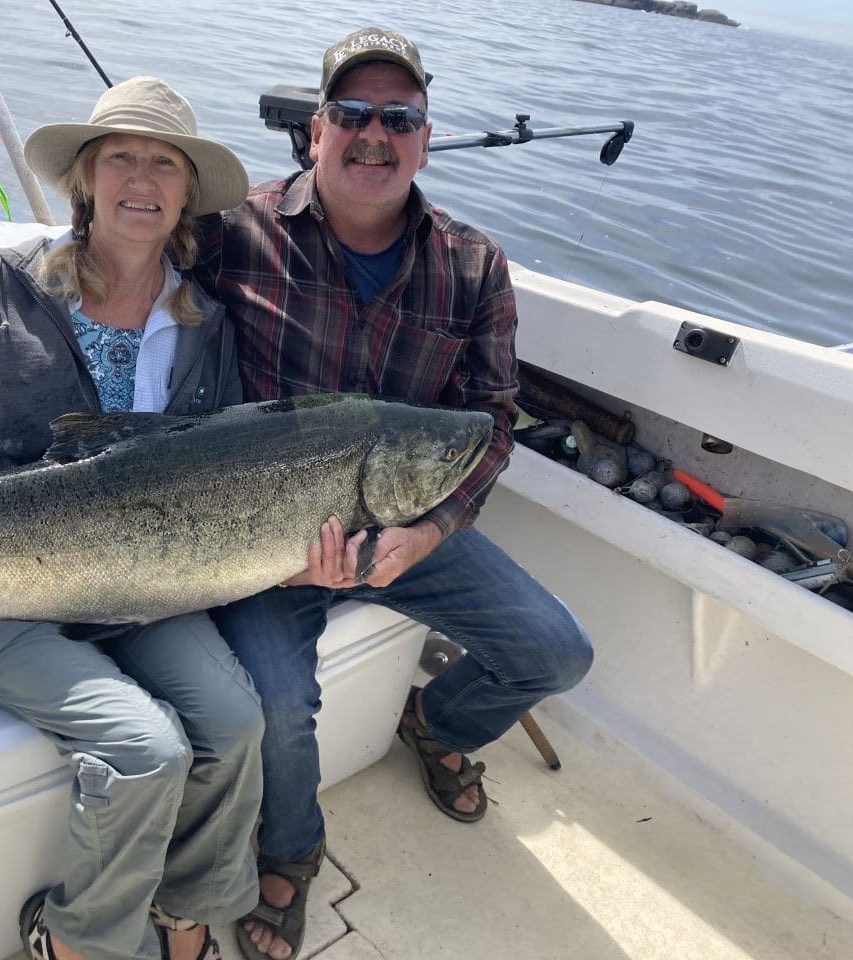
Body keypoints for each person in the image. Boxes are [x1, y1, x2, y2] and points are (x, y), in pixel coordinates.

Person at [0, 76, 262, 960]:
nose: (141, 179)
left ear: (186, 193)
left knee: (236, 720)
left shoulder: (208, 324)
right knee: (148, 750)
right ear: (85, 178)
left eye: (164, 163)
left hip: (139, 590)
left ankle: (187, 913)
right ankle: (76, 943)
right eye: (121, 158)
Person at [193, 27, 595, 960]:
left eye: (399, 117)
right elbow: (130, 292)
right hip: (267, 540)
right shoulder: (232, 231)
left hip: (410, 522)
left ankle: (437, 721)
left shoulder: (474, 263)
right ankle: (292, 849)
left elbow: (492, 421)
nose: (375, 135)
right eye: (352, 113)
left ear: (424, 134)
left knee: (557, 651)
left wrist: (431, 531)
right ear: (315, 130)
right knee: (278, 704)